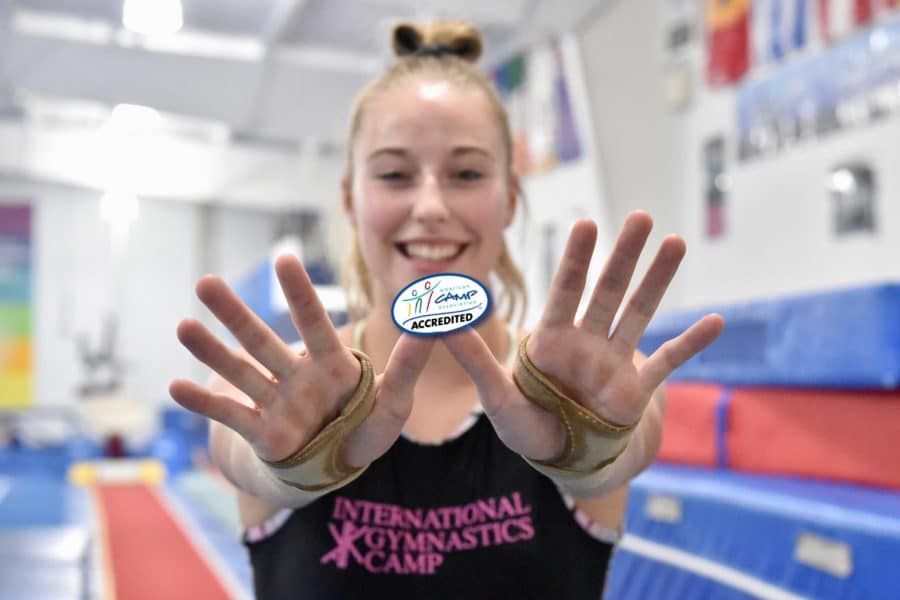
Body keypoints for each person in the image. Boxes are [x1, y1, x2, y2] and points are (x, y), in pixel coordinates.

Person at [170, 20, 724, 599]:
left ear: (509, 199)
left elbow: (619, 452)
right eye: (394, 174)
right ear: (350, 199)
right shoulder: (275, 396)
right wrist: (295, 463)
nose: (430, 205)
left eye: (465, 174)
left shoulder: (590, 390)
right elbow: (247, 457)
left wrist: (585, 446)